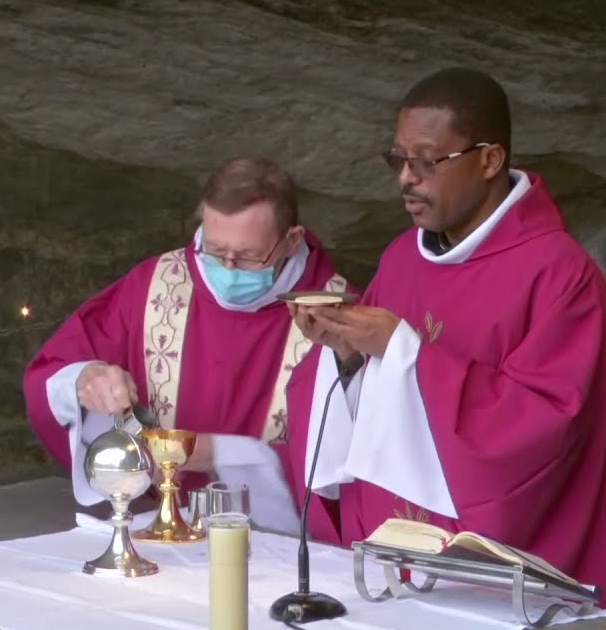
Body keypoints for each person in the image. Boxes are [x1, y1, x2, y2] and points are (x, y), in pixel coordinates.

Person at [281, 67, 606, 630]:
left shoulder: (558, 273)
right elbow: (365, 388)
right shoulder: (403, 258)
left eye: (428, 160)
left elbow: (544, 423)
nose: (407, 178)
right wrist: (346, 355)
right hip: (400, 560)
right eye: (398, 158)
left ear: (490, 159)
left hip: (511, 575)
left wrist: (403, 349)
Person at [24, 156, 359, 534]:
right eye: (215, 251)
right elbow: (52, 373)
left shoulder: (338, 320)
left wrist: (219, 455)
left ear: (292, 239)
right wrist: (85, 379)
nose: (228, 269)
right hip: (157, 528)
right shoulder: (156, 284)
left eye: (248, 256)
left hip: (275, 544)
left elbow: (346, 467)